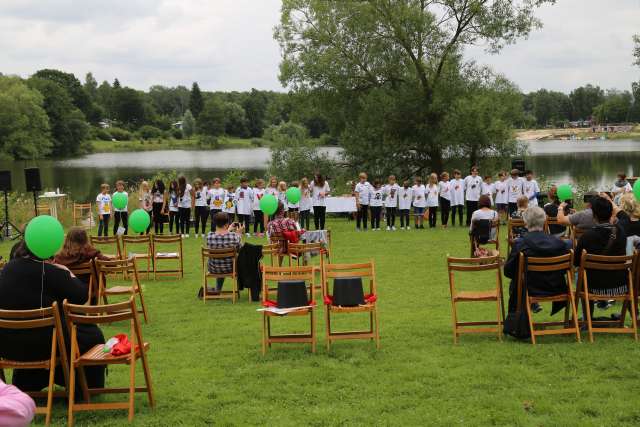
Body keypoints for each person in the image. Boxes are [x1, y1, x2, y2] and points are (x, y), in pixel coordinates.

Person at [0, 241, 105, 393]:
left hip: (10, 347)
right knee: (91, 334)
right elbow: (81, 296)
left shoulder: (7, 270)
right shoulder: (50, 271)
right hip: (48, 345)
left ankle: (27, 382)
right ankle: (84, 386)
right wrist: (67, 272)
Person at [503, 207, 571, 326]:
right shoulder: (560, 243)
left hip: (530, 288)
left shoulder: (520, 243)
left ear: (525, 222)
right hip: (556, 287)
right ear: (545, 221)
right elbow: (566, 269)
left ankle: (517, 320)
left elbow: (508, 271)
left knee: (516, 281)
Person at [574, 195, 628, 300]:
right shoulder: (621, 232)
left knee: (580, 273)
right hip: (620, 285)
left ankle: (587, 316)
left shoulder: (587, 236)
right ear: (611, 213)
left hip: (593, 286)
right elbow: (624, 216)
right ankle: (634, 313)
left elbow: (576, 262)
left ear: (594, 215)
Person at [206, 212, 243, 293]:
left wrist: (228, 229)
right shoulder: (233, 236)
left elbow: (220, 235)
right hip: (230, 268)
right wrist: (239, 234)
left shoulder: (209, 236)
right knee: (237, 259)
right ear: (226, 224)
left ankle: (218, 289)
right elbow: (241, 250)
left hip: (214, 268)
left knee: (220, 258)